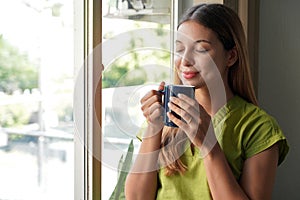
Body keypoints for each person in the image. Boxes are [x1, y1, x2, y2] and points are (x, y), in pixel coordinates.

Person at [125, 3, 289, 200]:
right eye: (179, 49)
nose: (184, 61)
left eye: (201, 49)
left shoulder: (258, 127)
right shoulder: (166, 116)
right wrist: (153, 128)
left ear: (231, 56)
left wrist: (208, 144)